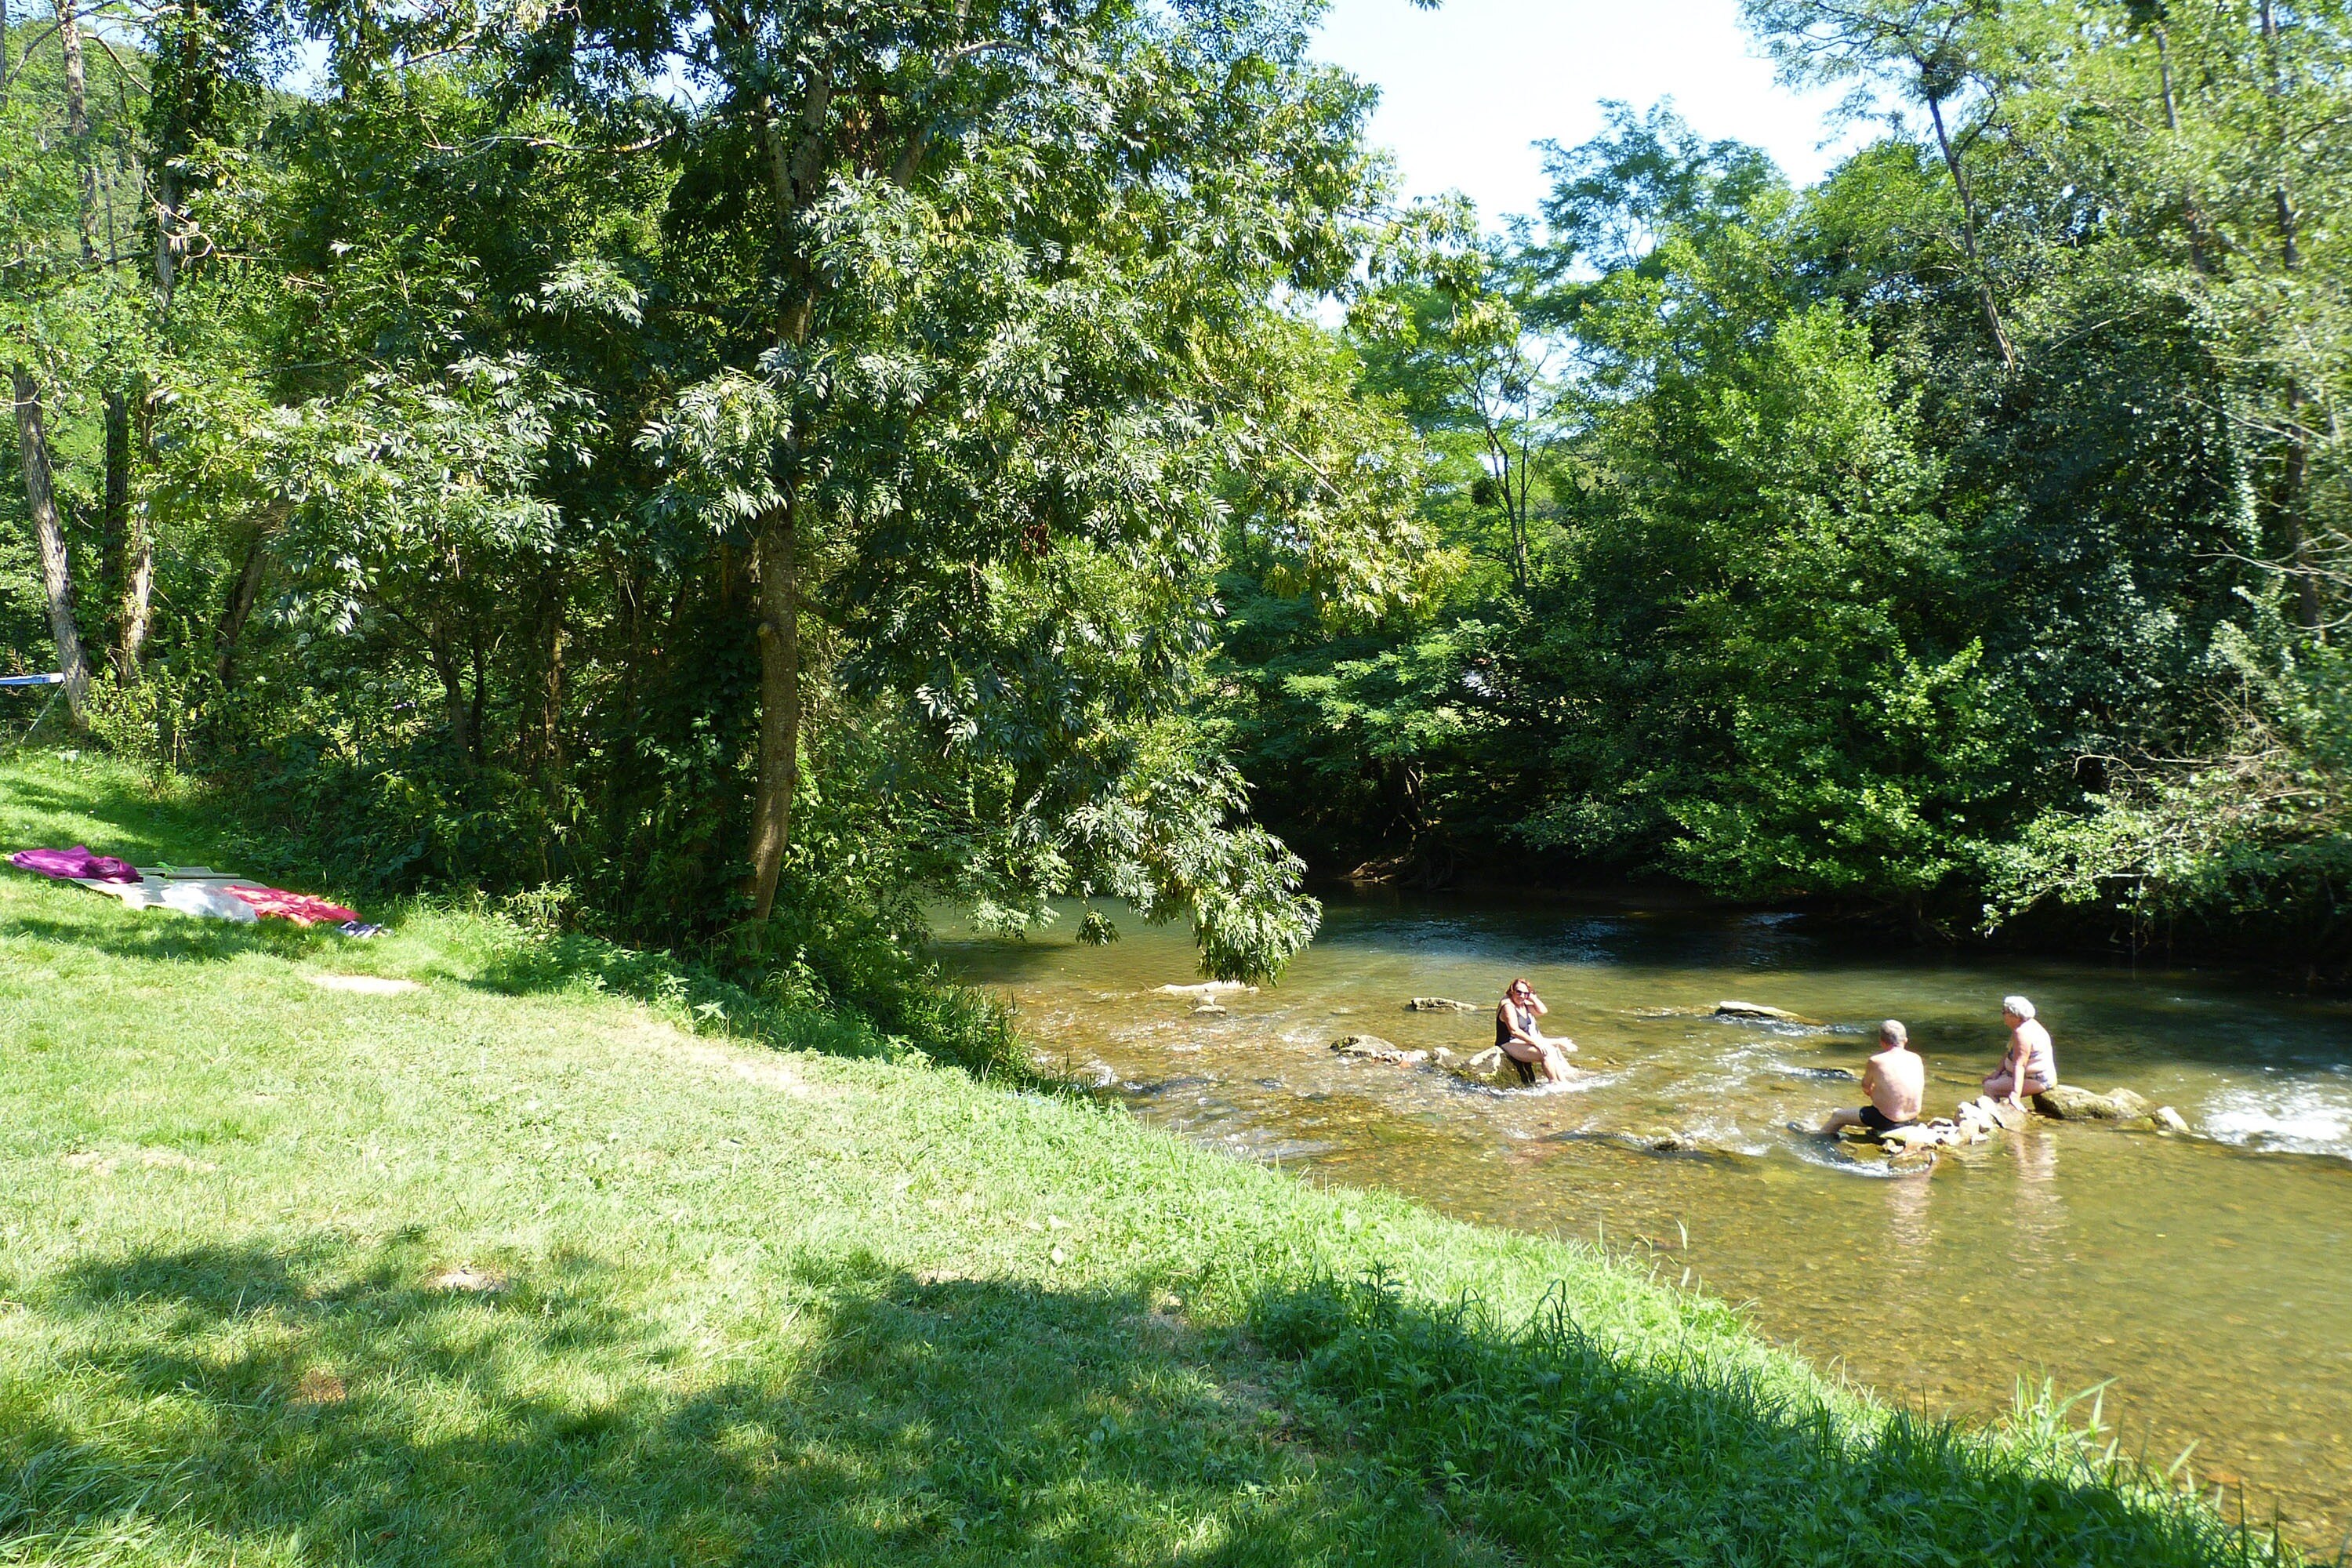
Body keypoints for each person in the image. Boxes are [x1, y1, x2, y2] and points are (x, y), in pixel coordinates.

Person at [1817, 1020, 1924, 1135]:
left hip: (1887, 1119)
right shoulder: (1916, 1058)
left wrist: (1877, 1095)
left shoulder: (1876, 1061)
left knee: (1838, 1116)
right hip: (1911, 1118)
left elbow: (1866, 1087)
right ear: (1905, 1040)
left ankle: (1816, 1140)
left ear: (1882, 1042)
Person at [1495, 978, 1577, 1085]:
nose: (1522, 996)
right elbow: (1514, 1031)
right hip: (1508, 1042)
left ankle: (1563, 1082)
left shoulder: (1523, 1004)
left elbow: (1542, 1011)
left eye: (1525, 993)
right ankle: (1554, 1083)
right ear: (1512, 991)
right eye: (1519, 992)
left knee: (1552, 1050)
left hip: (1521, 1041)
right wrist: (1536, 1043)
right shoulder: (1508, 1007)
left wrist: (1532, 998)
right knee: (1546, 1053)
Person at [1984, 994, 2056, 1109]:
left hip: (2039, 1079)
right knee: (1989, 1080)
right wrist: (1997, 1072)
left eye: (2004, 1011)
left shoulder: (2022, 1032)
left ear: (2015, 1016)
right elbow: (2010, 1052)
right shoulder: (2026, 1024)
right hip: (2027, 1076)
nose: (2002, 1014)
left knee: (1989, 1087)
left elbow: (2020, 1065)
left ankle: (1993, 1117)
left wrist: (2015, 1095)